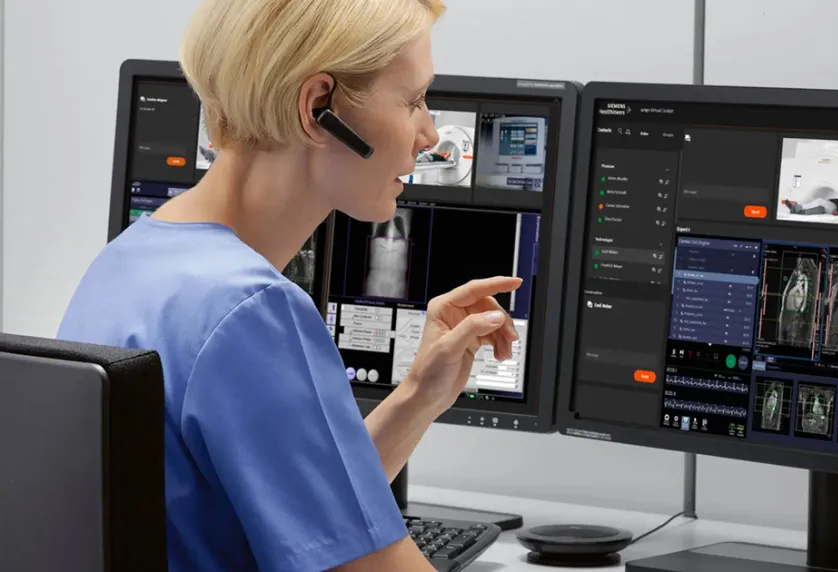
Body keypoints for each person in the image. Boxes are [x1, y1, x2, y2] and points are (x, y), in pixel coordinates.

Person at [56, 0, 521, 570]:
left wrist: (419, 395)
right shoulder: (253, 310)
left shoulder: (129, 259)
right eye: (413, 100)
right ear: (318, 107)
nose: (428, 134)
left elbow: (317, 518)